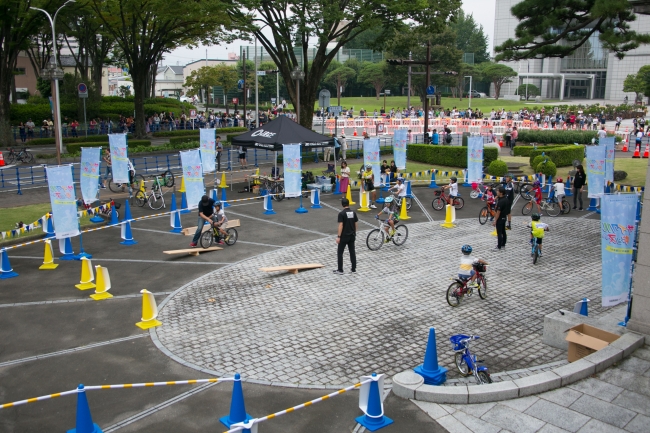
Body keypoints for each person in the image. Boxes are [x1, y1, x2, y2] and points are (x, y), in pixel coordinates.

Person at [334, 198, 358, 275]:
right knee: (352, 252)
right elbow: (355, 223)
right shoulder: (353, 213)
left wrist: (338, 236)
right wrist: (354, 232)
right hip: (352, 235)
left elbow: (341, 225)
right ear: (349, 204)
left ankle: (340, 269)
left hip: (344, 236)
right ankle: (353, 269)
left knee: (340, 252)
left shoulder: (341, 214)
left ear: (342, 204)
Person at [493, 187, 510, 251]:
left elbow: (498, 212)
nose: (497, 192)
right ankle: (503, 245)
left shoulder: (501, 201)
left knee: (499, 233)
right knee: (503, 232)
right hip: (504, 217)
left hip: (500, 218)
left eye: (498, 191)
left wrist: (495, 221)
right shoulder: (506, 199)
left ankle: (499, 246)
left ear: (501, 193)